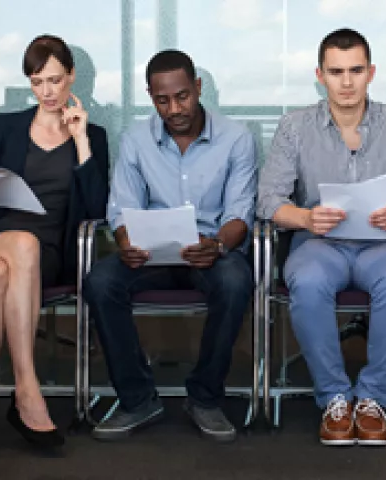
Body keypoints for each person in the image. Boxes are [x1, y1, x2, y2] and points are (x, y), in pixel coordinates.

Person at [257, 28, 386, 447]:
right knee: (307, 281)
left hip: (383, 244)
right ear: (319, 75)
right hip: (320, 244)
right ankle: (335, 398)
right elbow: (268, 199)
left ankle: (374, 399)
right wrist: (305, 217)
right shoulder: (294, 127)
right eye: (336, 71)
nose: (346, 82)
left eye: (355, 70)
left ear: (371, 72)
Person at [0, 34, 109, 463]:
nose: (48, 92)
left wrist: (82, 142)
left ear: (72, 76)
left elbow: (96, 211)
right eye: (38, 82)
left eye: (55, 80)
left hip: (47, 253)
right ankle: (27, 390)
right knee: (18, 243)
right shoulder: (5, 126)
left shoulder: (95, 136)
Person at [82, 50, 257, 443]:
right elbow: (122, 208)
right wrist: (126, 242)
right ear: (151, 96)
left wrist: (217, 244)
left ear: (197, 88)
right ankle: (137, 399)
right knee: (100, 282)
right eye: (162, 100)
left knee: (234, 283)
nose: (174, 108)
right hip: (151, 253)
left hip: (211, 250)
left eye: (182, 96)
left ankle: (205, 397)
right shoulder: (135, 139)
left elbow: (241, 214)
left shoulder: (237, 138)